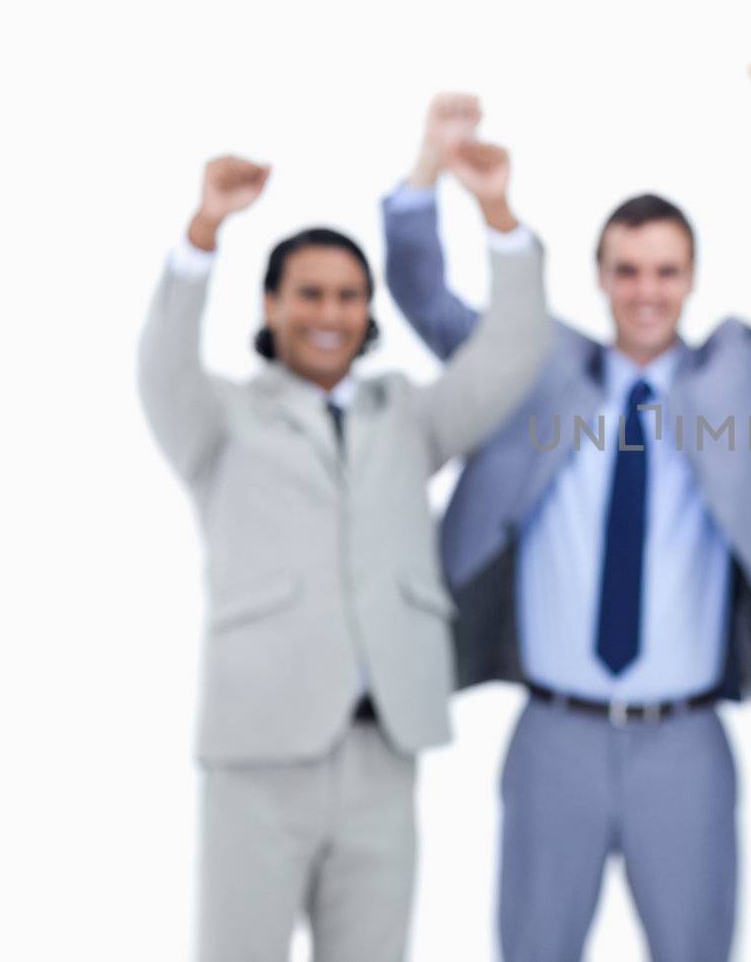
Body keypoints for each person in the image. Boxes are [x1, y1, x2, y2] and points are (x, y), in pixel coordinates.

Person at [382, 67, 751, 962]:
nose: (647, 290)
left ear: (691, 279)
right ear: (599, 276)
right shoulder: (536, 368)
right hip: (551, 738)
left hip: (686, 745)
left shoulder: (738, 379)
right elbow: (423, 296)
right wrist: (428, 173)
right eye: (628, 271)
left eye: (666, 272)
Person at [137, 152, 551, 962]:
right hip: (260, 756)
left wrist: (497, 213)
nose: (330, 312)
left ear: (368, 311)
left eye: (349, 296)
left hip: (380, 752)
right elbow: (161, 366)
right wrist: (205, 229)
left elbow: (510, 354)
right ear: (273, 304)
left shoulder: (405, 414)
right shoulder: (219, 419)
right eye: (311, 294)